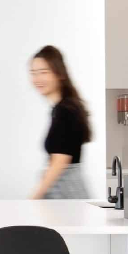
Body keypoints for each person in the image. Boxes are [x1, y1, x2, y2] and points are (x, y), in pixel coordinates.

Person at [28, 45, 91, 200]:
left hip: (66, 197)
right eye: (33, 73)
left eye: (44, 72)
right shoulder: (64, 108)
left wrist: (34, 198)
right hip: (66, 196)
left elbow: (60, 161)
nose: (37, 79)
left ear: (59, 73)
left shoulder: (66, 110)